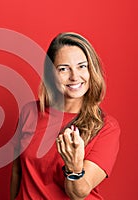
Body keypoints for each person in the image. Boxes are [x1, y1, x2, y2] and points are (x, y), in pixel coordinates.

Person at [10, 32, 120, 199]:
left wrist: (74, 167)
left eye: (82, 66)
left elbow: (78, 193)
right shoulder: (30, 112)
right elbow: (17, 171)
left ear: (91, 70)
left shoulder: (106, 127)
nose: (74, 76)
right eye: (63, 69)